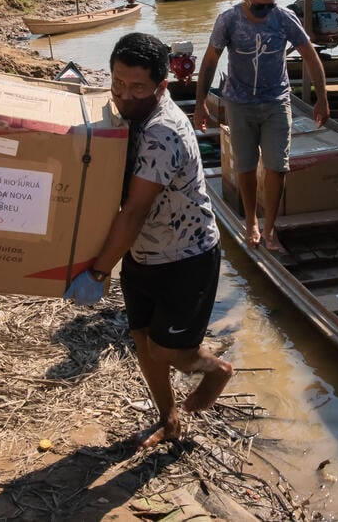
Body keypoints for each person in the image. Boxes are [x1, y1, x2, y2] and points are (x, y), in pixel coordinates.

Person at [65, 32, 231, 448]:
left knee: (168, 351)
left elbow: (134, 211)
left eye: (138, 87)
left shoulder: (163, 132)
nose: (124, 95)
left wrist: (99, 268)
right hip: (143, 252)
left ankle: (215, 370)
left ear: (162, 86)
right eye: (118, 83)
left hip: (186, 256)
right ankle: (168, 418)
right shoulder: (126, 113)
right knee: (142, 342)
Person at [192, 0, 329, 252]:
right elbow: (209, 62)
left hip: (276, 101)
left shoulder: (283, 18)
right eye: (259, 5)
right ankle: (252, 221)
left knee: (277, 166)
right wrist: (200, 102)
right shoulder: (228, 20)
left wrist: (322, 98)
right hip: (239, 103)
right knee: (245, 165)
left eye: (270, 4)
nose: (265, 11)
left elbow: (310, 56)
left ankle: (269, 228)